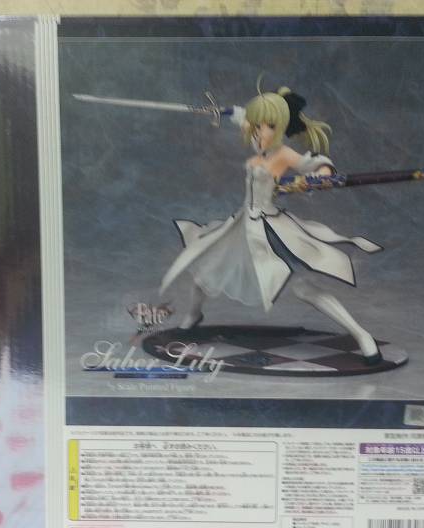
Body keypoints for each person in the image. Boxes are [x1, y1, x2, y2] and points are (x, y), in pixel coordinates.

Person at [159, 82, 383, 364]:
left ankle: (362, 335)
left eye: (265, 127)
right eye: (255, 127)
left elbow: (312, 164)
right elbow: (242, 116)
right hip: (242, 224)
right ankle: (193, 315)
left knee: (302, 287)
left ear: (278, 127)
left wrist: (323, 173)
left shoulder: (283, 153)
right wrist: (224, 111)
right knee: (204, 268)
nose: (256, 133)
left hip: (269, 231)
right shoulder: (258, 140)